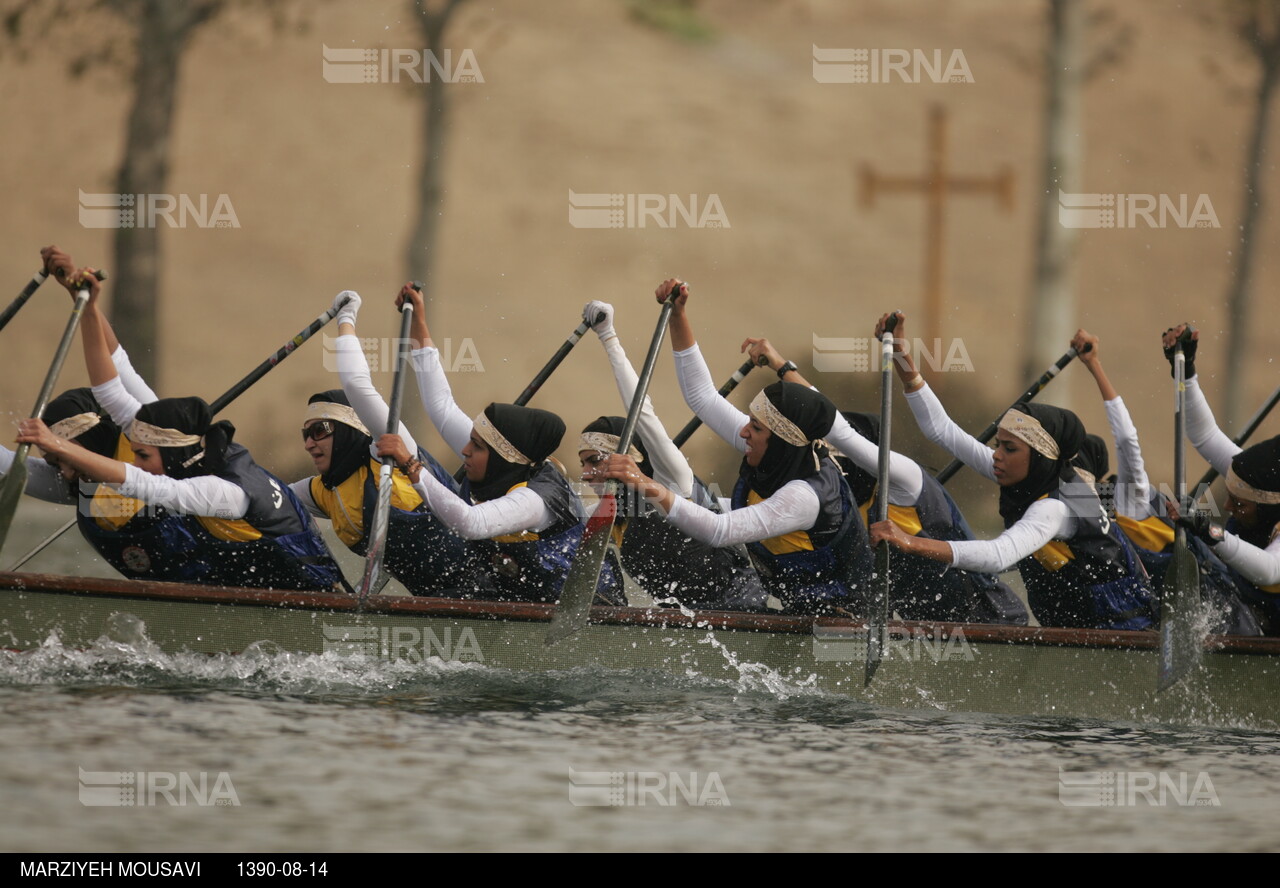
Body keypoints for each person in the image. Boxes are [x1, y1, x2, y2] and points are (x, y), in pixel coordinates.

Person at [15, 267, 342, 592]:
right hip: (241, 588)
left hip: (306, 597)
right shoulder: (166, 438)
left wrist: (55, 445)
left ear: (175, 455)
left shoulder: (223, 492)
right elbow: (113, 383)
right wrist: (85, 302)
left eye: (142, 455)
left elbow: (141, 484)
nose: (135, 460)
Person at [585, 280, 870, 616]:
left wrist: (645, 483)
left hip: (847, 625)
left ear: (782, 439)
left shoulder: (805, 497)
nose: (743, 432)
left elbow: (720, 531)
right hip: (801, 615)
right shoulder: (777, 449)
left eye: (756, 427)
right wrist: (678, 315)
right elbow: (702, 398)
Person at [869, 313, 1156, 631]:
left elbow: (997, 555)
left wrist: (907, 541)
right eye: (998, 444)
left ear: (1041, 456)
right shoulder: (1022, 472)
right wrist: (900, 353)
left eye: (1010, 448)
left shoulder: (1054, 509)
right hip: (1073, 630)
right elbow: (940, 429)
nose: (997, 456)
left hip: (1123, 633)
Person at [741, 330, 1028, 625]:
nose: (828, 455)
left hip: (990, 621)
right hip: (927, 629)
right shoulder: (841, 501)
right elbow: (826, 421)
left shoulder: (903, 480)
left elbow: (836, 428)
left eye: (836, 450)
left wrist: (907, 541)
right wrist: (780, 365)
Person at [378, 283, 615, 605]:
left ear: (505, 457)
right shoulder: (500, 458)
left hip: (590, 610)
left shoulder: (534, 500)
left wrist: (409, 464)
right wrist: (419, 319)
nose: (464, 450)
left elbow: (470, 524)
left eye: (476, 447)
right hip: (525, 603)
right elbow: (440, 406)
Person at [578, 300, 767, 611]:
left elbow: (642, 413)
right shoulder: (607, 518)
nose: (586, 473)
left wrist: (607, 335)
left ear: (633, 457)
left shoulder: (673, 478)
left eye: (596, 460)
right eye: (583, 463)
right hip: (685, 622)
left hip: (739, 609)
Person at [1072, 328, 1260, 635]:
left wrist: (1094, 366)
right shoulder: (1083, 510)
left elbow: (1126, 439)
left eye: (1075, 480)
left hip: (1212, 594)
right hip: (1165, 603)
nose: (1071, 490)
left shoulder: (1126, 499)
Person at [288, 290, 473, 596]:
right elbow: (260, 496)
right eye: (305, 434)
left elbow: (357, 385)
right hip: (438, 607)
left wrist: (346, 319)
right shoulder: (323, 491)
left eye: (320, 430)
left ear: (349, 430)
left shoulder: (387, 454)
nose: (309, 443)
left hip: (488, 593)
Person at [1160, 323, 1280, 634]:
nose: (1226, 505)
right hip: (1239, 595)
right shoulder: (1252, 474)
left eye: (1239, 503)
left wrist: (1207, 529)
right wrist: (1185, 373)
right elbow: (1203, 434)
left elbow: (1269, 570)